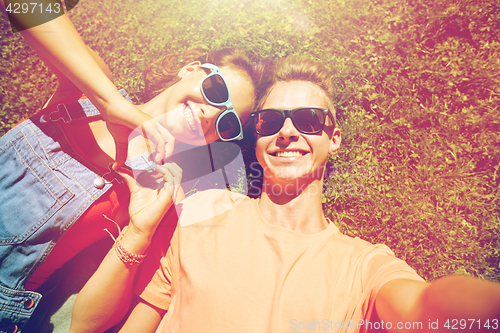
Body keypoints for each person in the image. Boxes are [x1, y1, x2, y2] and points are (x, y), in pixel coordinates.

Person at [70, 55, 500, 333]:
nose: (288, 132)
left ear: (334, 139)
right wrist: (138, 232)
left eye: (310, 120)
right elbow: (85, 325)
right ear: (256, 140)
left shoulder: (363, 266)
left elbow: (424, 308)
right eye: (271, 120)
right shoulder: (204, 214)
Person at [0, 43, 261, 332]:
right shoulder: (88, 93)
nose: (210, 114)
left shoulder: (161, 193)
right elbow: (31, 12)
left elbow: (89, 325)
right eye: (216, 90)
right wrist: (112, 104)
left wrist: (139, 232)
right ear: (190, 70)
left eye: (228, 122)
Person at [0, 0, 173, 168]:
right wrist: (109, 101)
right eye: (202, 88)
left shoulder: (155, 189)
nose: (202, 111)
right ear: (190, 69)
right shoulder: (90, 86)